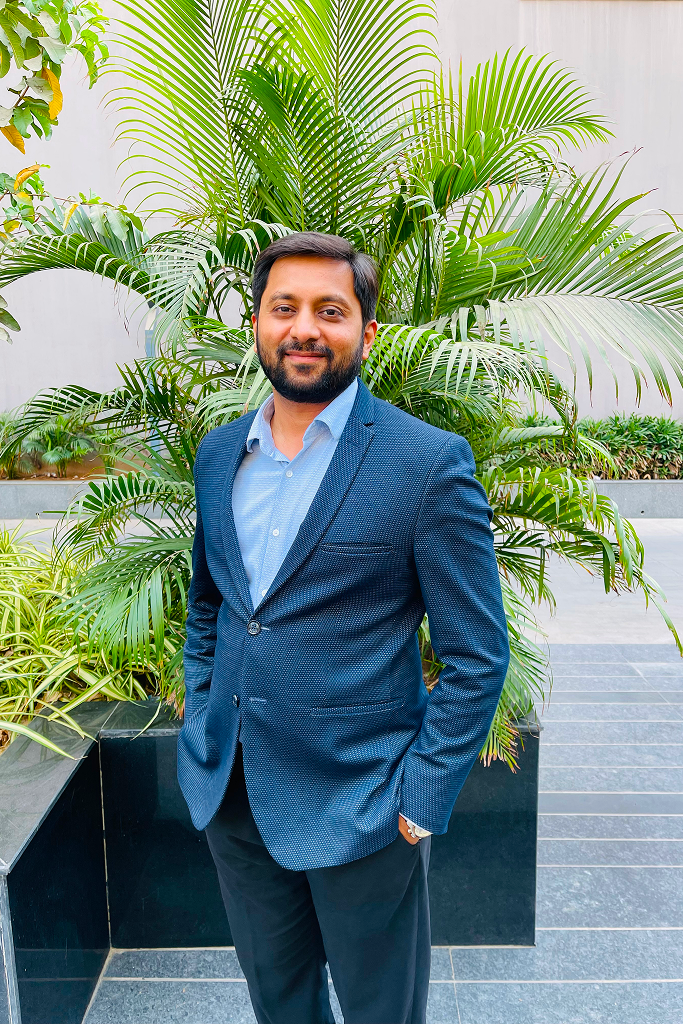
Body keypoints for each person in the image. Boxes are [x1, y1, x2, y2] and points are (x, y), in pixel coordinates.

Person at [178, 231, 509, 1024]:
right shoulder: (219, 455)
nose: (303, 328)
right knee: (280, 1006)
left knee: (379, 1012)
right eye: (283, 307)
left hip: (364, 805)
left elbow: (476, 654)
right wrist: (201, 715)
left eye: (330, 310)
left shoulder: (425, 463)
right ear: (256, 323)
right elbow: (211, 605)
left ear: (366, 332)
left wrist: (420, 798)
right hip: (234, 795)